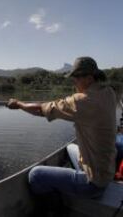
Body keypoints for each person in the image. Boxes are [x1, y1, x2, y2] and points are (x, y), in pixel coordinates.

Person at [8, 57, 117, 200]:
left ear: (89, 78)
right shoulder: (109, 92)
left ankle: (52, 206)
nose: (74, 82)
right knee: (70, 147)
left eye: (76, 78)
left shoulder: (83, 101)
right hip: (107, 171)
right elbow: (71, 106)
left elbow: (41, 110)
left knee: (35, 175)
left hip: (93, 184)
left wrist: (19, 104)